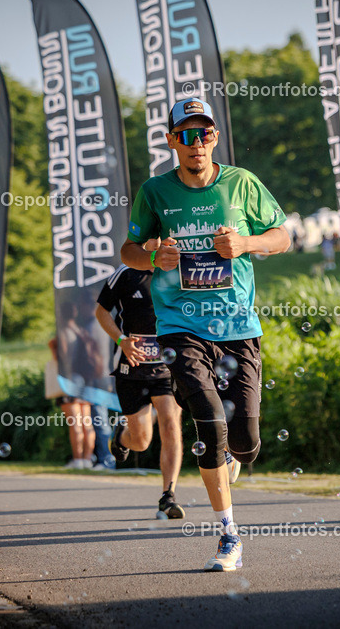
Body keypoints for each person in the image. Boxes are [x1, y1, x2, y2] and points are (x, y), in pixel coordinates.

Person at [120, 97, 290, 571]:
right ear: (172, 140)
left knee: (246, 443)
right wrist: (154, 257)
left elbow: (282, 236)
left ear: (215, 137)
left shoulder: (242, 183)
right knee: (208, 420)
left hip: (238, 326)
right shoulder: (155, 191)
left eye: (206, 134)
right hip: (179, 324)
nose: (198, 144)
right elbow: (128, 250)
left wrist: (247, 242)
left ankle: (234, 458)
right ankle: (228, 535)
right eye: (188, 135)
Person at [95, 262, 185, 518]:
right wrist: (121, 340)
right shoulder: (125, 273)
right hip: (131, 369)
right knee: (142, 442)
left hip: (167, 367)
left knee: (170, 423)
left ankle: (168, 495)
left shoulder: (178, 268)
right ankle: (123, 435)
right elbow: (101, 311)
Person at [48, 337, 94, 469]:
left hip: (69, 381)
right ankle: (87, 460)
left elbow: (58, 359)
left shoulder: (64, 333)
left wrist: (53, 346)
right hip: (86, 381)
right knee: (87, 423)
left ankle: (78, 460)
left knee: (75, 424)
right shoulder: (85, 333)